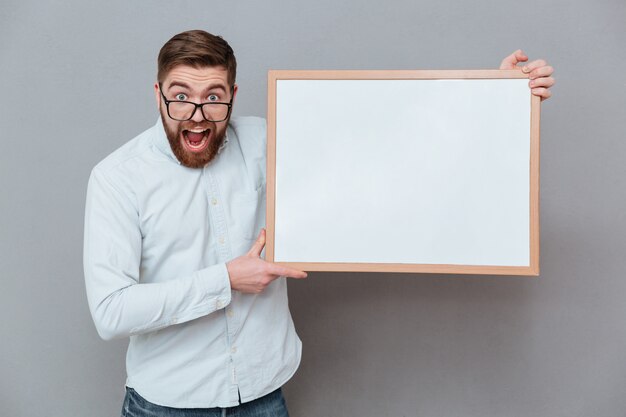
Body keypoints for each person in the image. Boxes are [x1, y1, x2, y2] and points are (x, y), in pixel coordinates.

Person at [83, 30, 555, 417]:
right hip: (168, 404)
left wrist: (494, 96)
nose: (197, 114)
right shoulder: (117, 178)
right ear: (158, 93)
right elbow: (111, 311)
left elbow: (391, 148)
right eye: (180, 97)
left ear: (233, 95)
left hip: (263, 394)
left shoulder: (267, 139)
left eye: (214, 97)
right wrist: (225, 279)